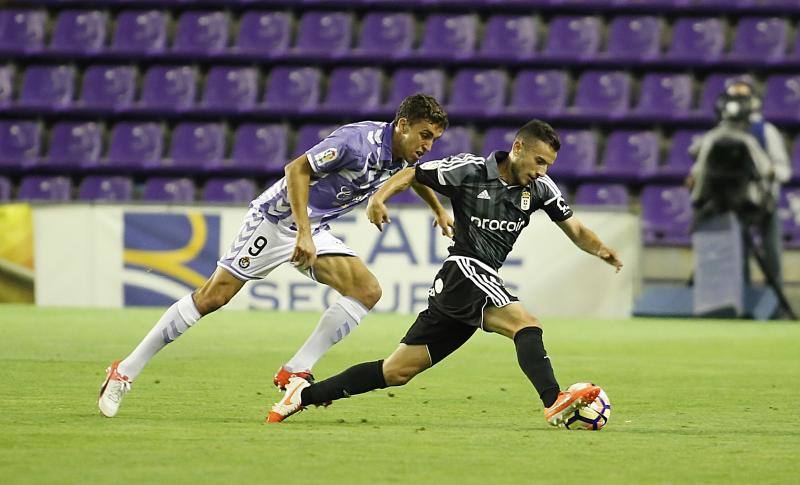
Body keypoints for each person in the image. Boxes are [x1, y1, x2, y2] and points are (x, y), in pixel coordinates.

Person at [98, 94, 455, 417]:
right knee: (212, 297)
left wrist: (437, 210)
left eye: (434, 140)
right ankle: (124, 371)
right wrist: (302, 232)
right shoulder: (356, 142)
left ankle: (295, 370)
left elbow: (413, 176)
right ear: (403, 125)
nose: (427, 145)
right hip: (275, 221)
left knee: (366, 290)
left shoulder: (399, 152)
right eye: (424, 135)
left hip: (312, 228)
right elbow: (296, 169)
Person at [266, 119, 624, 427]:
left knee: (396, 372)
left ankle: (301, 397)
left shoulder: (540, 188)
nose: (542, 170)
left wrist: (601, 249)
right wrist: (380, 198)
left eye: (548, 164)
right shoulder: (469, 170)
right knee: (525, 324)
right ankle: (553, 401)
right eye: (539, 160)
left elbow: (575, 230)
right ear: (518, 148)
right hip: (466, 269)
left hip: (464, 286)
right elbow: (413, 173)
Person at [688, 79, 792, 294]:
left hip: (764, 202)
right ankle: (742, 297)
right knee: (737, 252)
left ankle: (776, 300)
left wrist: (770, 174)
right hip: (732, 201)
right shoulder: (719, 132)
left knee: (771, 252)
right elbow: (701, 162)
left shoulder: (765, 130)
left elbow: (783, 169)